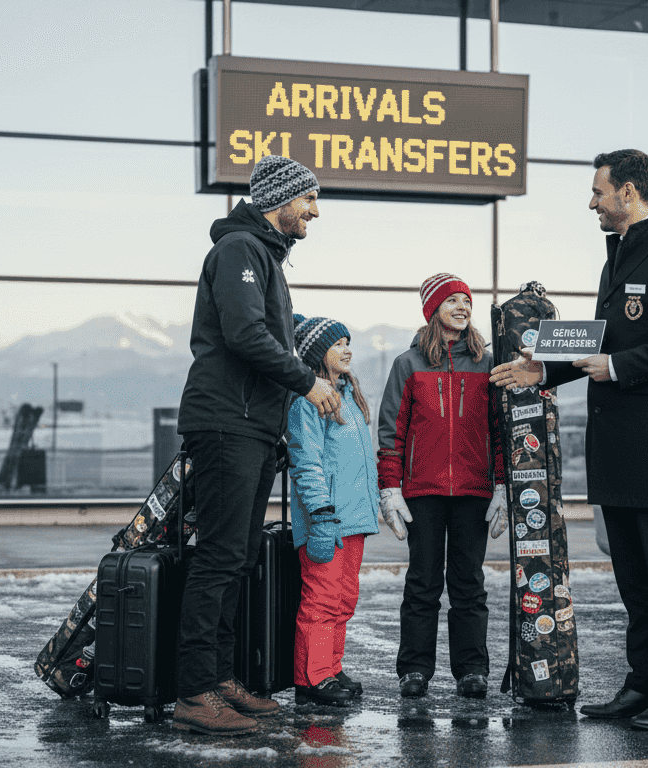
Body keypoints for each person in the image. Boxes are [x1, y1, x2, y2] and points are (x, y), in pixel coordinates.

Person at [489, 149, 648, 729]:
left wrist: (617, 367)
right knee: (634, 582)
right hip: (617, 449)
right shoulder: (617, 259)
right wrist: (545, 372)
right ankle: (642, 686)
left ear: (631, 192)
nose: (591, 201)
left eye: (598, 191)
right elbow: (598, 345)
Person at [173, 154, 341, 736]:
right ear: (280, 198)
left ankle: (218, 679)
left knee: (237, 558)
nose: (313, 213)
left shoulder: (263, 256)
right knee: (218, 557)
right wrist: (308, 380)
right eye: (308, 201)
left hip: (252, 426)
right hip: (226, 422)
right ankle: (194, 693)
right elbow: (246, 335)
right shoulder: (240, 251)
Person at [377, 273, 508, 700]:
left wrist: (503, 484)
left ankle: (472, 669)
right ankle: (414, 669)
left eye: (466, 302)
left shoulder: (487, 363)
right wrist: (389, 488)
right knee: (423, 582)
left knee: (469, 582)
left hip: (474, 491)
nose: (462, 307)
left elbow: (501, 428)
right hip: (424, 492)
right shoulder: (408, 364)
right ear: (433, 310)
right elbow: (391, 433)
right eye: (452, 301)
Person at [286, 315, 381, 707]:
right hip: (327, 520)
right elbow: (306, 461)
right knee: (321, 599)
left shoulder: (347, 396)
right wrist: (320, 513)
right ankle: (313, 678)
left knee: (344, 600)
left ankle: (331, 667)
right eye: (338, 343)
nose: (348, 349)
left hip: (354, 519)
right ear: (316, 353)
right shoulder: (308, 402)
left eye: (348, 341)